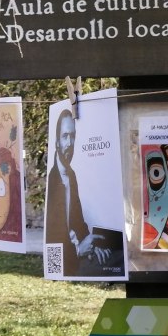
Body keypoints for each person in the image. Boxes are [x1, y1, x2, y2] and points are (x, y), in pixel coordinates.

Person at [46, 109, 116, 276]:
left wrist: (91, 244)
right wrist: (79, 250)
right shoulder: (52, 181)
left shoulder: (71, 175)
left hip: (75, 259)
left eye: (73, 136)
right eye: (65, 136)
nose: (70, 143)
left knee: (110, 260)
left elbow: (77, 221)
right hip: (65, 265)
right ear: (56, 142)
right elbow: (52, 239)